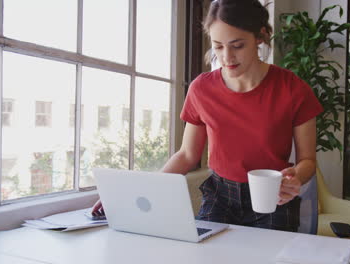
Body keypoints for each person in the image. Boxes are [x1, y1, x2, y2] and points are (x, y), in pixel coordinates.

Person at [93, 0, 323, 232]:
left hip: (274, 200)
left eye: (237, 45)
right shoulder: (201, 89)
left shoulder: (293, 89)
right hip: (220, 197)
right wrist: (134, 192)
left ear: (260, 36)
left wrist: (295, 178)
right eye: (218, 46)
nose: (227, 57)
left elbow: (308, 161)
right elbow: (187, 154)